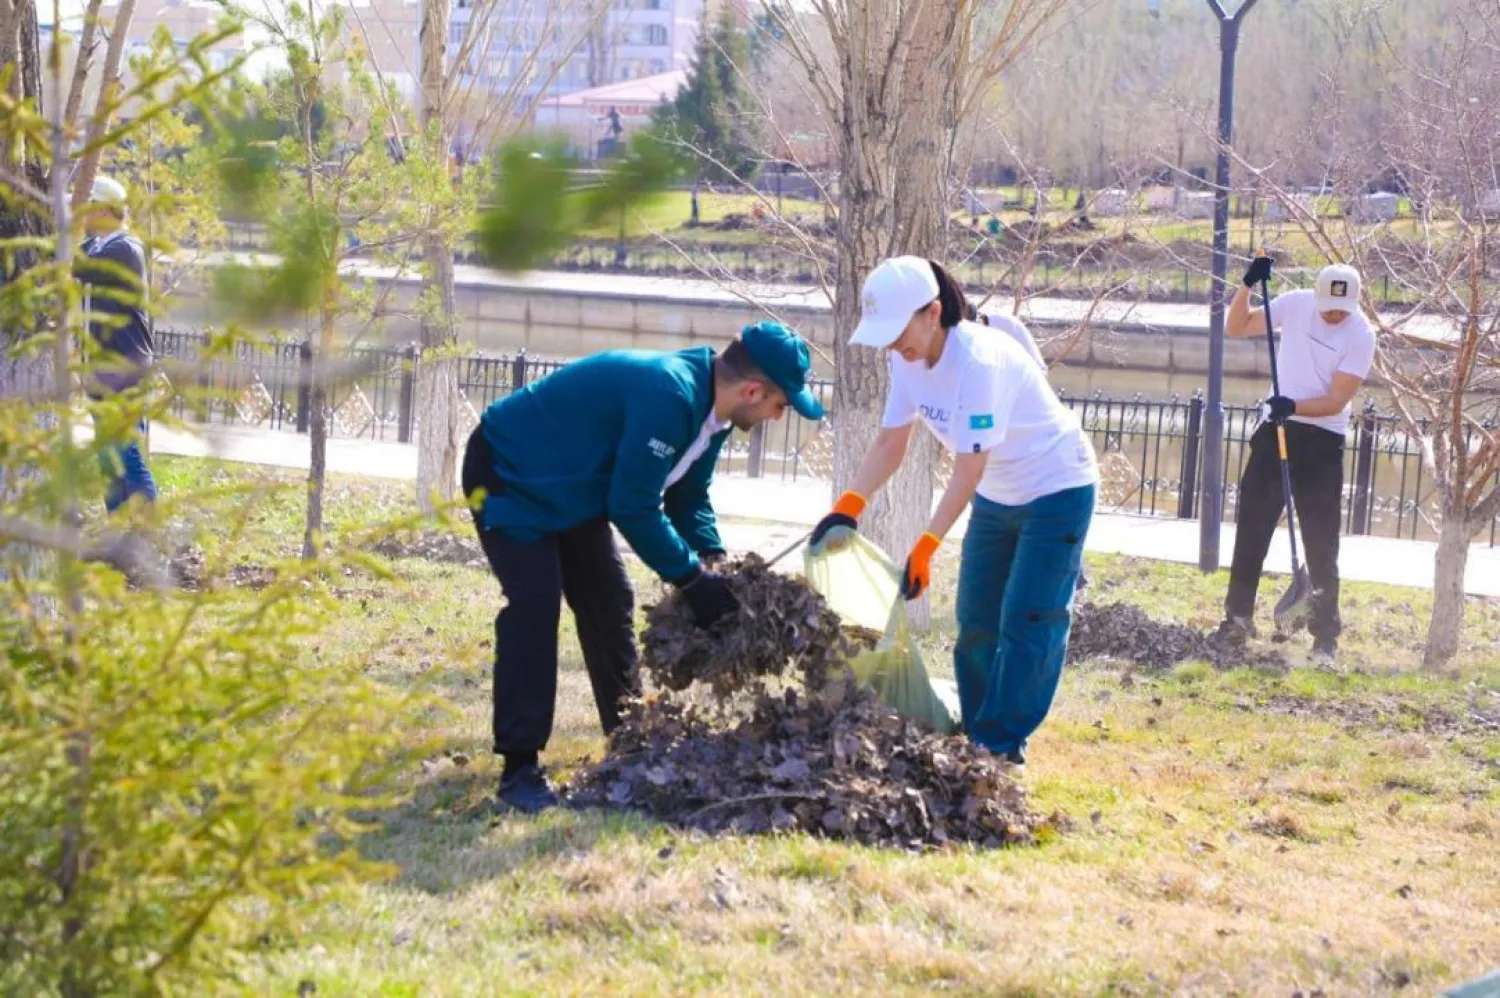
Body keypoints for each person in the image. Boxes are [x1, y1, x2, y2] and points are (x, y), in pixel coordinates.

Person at [462, 320, 825, 812]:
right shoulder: (671, 397)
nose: (778, 417)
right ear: (753, 389)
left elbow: (687, 494)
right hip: (511, 470)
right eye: (780, 405)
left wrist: (713, 560)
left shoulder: (712, 414)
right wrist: (692, 581)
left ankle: (630, 739)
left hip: (574, 487)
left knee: (609, 601)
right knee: (534, 605)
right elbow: (632, 506)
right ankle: (519, 770)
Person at [808, 256, 1099, 767]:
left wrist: (927, 544)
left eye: (899, 331)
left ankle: (1001, 746)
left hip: (1057, 487)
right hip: (999, 493)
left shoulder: (979, 362)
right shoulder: (907, 359)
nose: (894, 345)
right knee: (976, 620)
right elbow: (891, 442)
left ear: (934, 312)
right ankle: (979, 729)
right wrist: (848, 506)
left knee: (1029, 617)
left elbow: (968, 469)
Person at [1210, 259, 1375, 664]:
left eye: (1341, 308)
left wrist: (1294, 405)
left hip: (1322, 441)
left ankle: (1324, 637)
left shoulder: (1360, 334)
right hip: (1275, 432)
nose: (1333, 314)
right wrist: (1247, 285)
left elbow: (1337, 400)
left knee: (1321, 543)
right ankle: (1236, 620)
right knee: (1252, 529)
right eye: (1327, 306)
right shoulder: (1296, 304)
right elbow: (1237, 327)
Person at [76, 174, 156, 513]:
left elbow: (71, 266)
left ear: (106, 209)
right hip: (100, 367)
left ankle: (149, 533)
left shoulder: (125, 248)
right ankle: (118, 533)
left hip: (124, 366)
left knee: (126, 451)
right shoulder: (96, 246)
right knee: (108, 458)